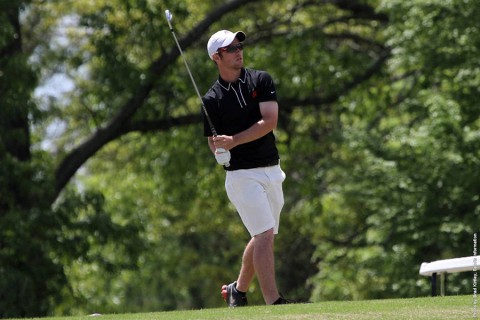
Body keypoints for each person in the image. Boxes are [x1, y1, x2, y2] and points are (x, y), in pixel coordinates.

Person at [202, 29, 290, 307]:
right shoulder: (211, 100)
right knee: (264, 234)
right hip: (241, 175)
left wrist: (234, 141)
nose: (239, 51)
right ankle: (273, 302)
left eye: (240, 45)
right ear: (217, 57)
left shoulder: (260, 79)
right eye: (231, 48)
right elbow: (213, 143)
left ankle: (237, 290)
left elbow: (270, 121)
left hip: (272, 168)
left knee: (265, 235)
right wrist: (219, 150)